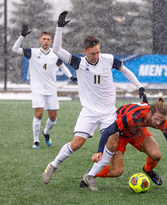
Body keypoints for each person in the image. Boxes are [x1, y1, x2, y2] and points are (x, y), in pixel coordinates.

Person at [42, 11, 147, 185]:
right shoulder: (79, 63)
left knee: (112, 145)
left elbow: (125, 70)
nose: (96, 56)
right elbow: (56, 50)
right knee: (76, 144)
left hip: (108, 112)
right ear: (85, 52)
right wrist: (59, 28)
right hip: (90, 111)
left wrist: (140, 87)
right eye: (92, 53)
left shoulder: (108, 60)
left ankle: (90, 176)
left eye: (97, 52)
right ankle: (52, 166)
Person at [79, 97, 167, 191]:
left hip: (137, 131)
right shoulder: (133, 116)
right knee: (116, 171)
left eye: (161, 120)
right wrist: (100, 151)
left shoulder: (161, 121)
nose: (158, 123)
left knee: (156, 155)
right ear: (150, 112)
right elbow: (108, 131)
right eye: (156, 119)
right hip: (120, 134)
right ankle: (91, 173)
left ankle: (148, 170)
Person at [12, 25, 77, 149]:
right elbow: (15, 49)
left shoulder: (55, 53)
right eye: (44, 39)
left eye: (48, 39)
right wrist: (22, 36)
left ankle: (46, 132)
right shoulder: (32, 52)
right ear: (39, 40)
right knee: (39, 114)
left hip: (51, 90)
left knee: (53, 117)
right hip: (37, 90)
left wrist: (70, 76)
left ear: (51, 41)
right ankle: (36, 140)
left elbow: (62, 65)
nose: (46, 41)